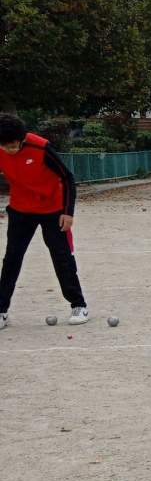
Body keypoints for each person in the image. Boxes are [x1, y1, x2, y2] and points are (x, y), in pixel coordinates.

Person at [0, 114, 89, 329]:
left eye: (13, 145)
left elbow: (67, 178)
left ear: (22, 138)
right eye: (4, 146)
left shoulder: (41, 147)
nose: (9, 150)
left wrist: (68, 212)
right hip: (20, 209)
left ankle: (79, 305)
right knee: (11, 259)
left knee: (61, 257)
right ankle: (1, 311)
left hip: (53, 209)